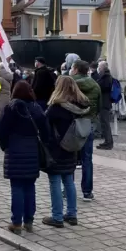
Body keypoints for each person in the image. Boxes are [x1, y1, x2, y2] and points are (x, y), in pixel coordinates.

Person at [0, 81, 49, 235]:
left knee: (17, 187)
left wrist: (6, 145)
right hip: (32, 151)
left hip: (14, 150)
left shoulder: (10, 108)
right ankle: (29, 220)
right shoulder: (36, 108)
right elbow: (46, 131)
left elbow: (0, 131)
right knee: (30, 186)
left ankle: (16, 222)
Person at [43, 76, 90, 227]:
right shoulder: (81, 106)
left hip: (56, 149)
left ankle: (57, 216)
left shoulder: (56, 107)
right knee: (69, 181)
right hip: (73, 147)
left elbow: (44, 126)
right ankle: (72, 214)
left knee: (55, 181)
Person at [70, 60, 99, 201]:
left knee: (70, 157)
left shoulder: (69, 83)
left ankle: (68, 189)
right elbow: (98, 106)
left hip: (72, 123)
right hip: (88, 123)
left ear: (75, 69)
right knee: (87, 159)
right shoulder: (95, 85)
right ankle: (87, 192)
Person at [95, 61, 115, 150]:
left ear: (103, 67)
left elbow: (102, 87)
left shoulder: (106, 77)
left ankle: (108, 142)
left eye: (99, 66)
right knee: (104, 123)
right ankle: (107, 141)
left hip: (104, 103)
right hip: (104, 102)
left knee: (105, 123)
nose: (98, 68)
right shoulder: (105, 76)